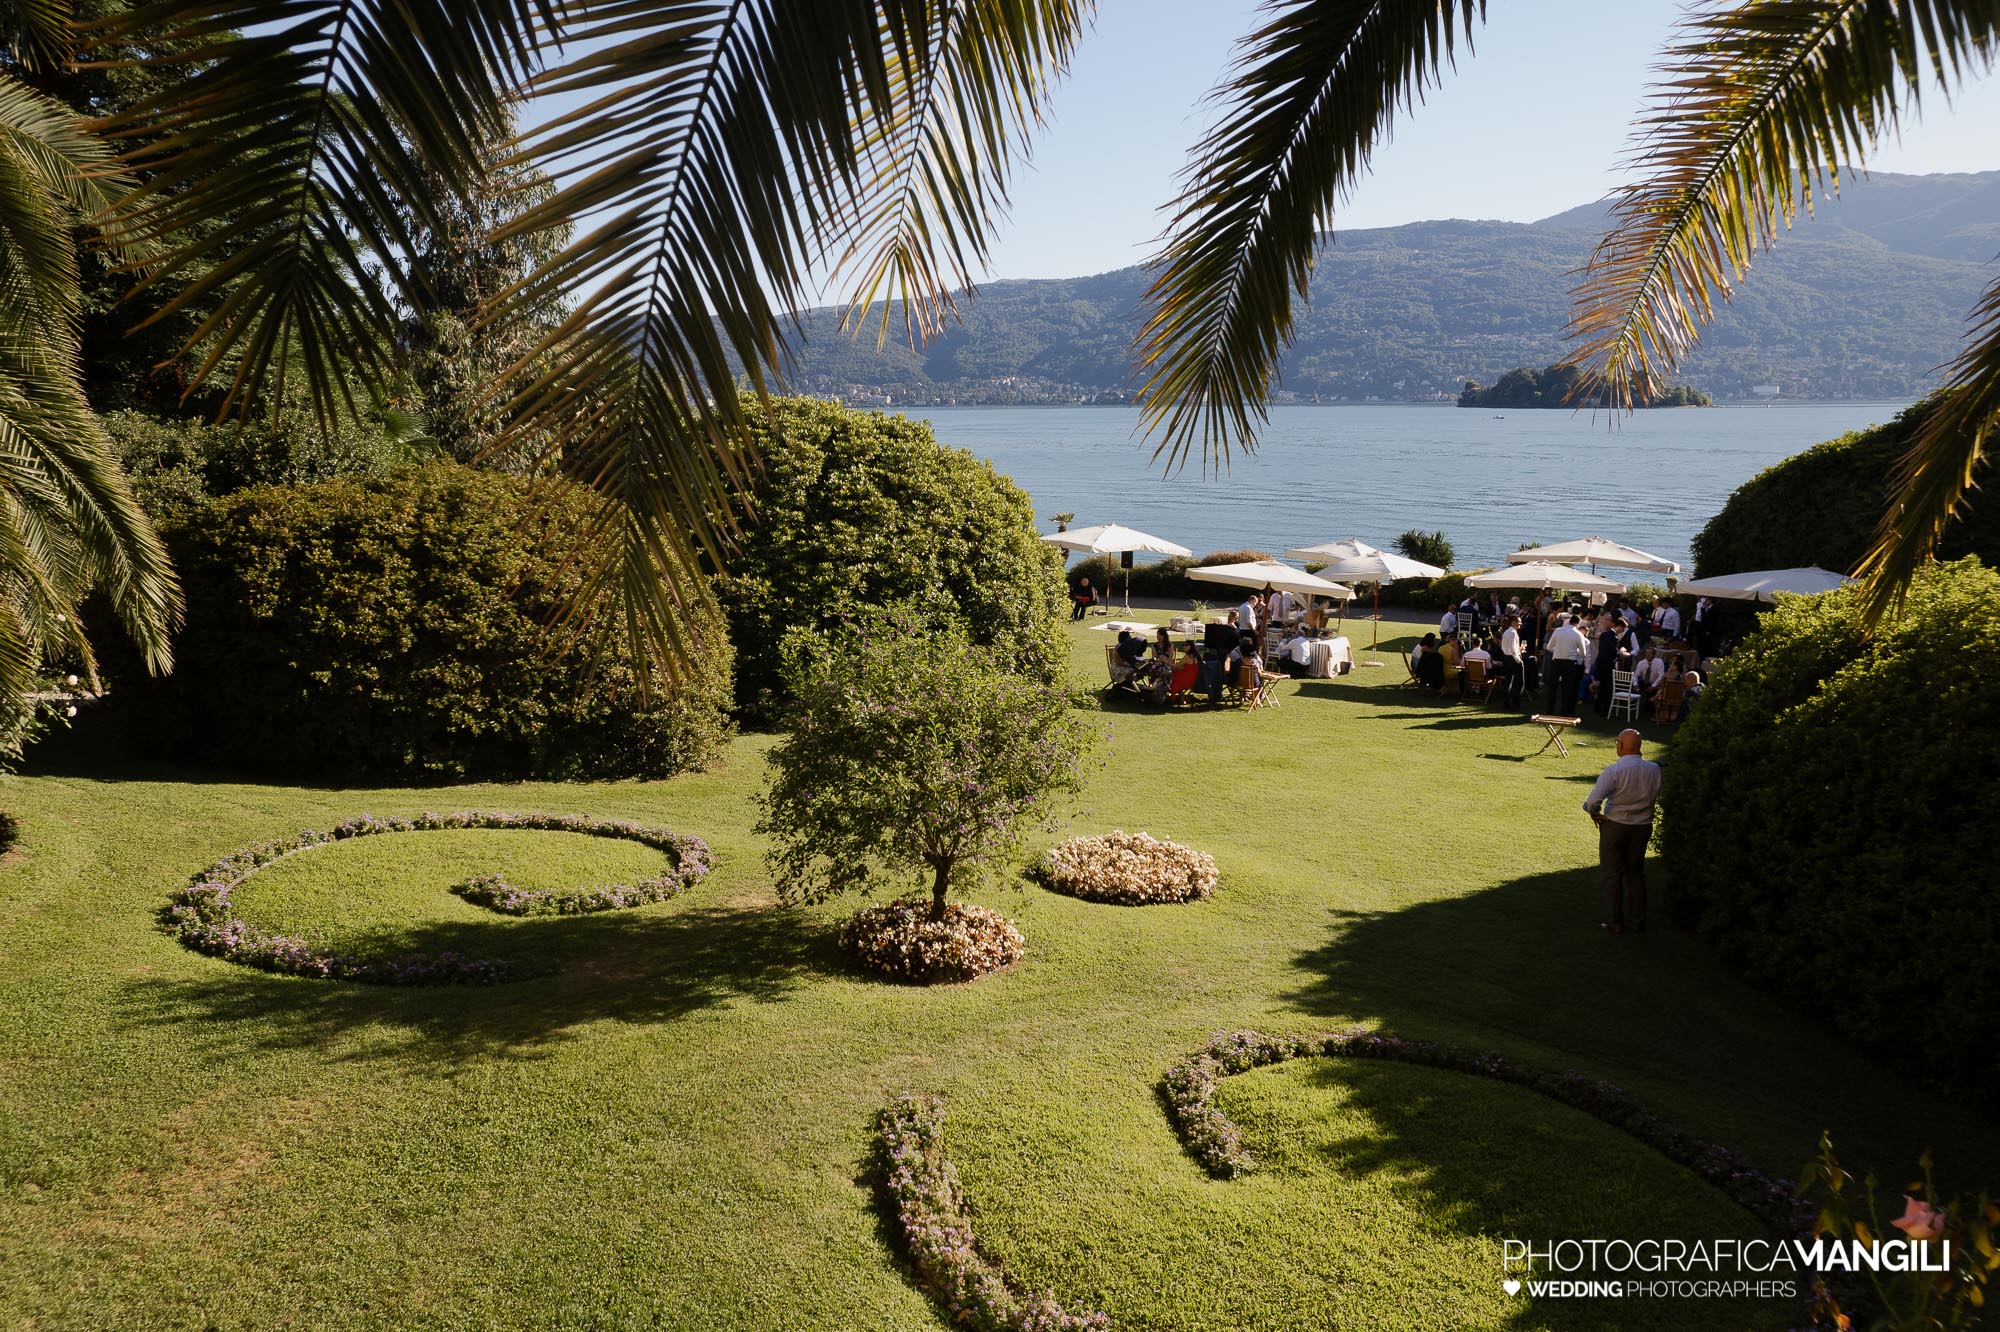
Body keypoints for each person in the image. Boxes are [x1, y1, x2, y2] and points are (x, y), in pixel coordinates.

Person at [1582, 729, 1662, 934]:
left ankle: (1616, 923)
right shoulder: (1654, 770)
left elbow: (1593, 801)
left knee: (1612, 874)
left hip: (1615, 826)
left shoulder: (1614, 771)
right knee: (1636, 874)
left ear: (1622, 746)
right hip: (1642, 827)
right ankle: (1638, 922)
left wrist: (1594, 813)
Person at [1545, 613, 1588, 714]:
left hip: (1556, 661)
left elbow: (1549, 647)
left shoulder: (1558, 631)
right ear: (1578, 623)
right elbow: (1583, 653)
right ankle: (1564, 712)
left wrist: (1558, 650)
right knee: (1567, 689)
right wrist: (1574, 651)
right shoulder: (1578, 634)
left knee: (1552, 687)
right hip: (1570, 663)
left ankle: (1549, 711)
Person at [1494, 614, 1525, 707]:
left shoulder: (1506, 632)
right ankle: (1515, 703)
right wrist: (1518, 659)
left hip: (1507, 658)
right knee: (1518, 682)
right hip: (1513, 659)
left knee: (1508, 681)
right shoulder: (1513, 633)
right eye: (1519, 622)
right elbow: (1512, 649)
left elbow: (1504, 647)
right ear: (1513, 622)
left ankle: (1507, 703)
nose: (1520, 623)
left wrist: (1518, 650)